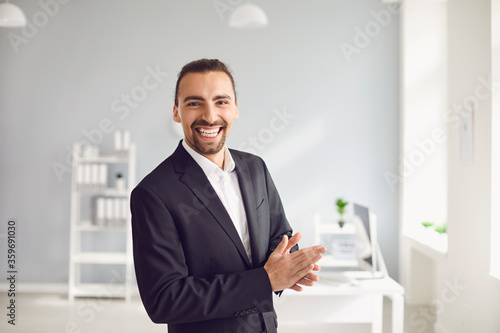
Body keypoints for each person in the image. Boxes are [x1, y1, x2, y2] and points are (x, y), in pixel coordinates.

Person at [130, 58, 326, 333]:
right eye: (194, 103)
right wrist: (266, 280)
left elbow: (277, 236)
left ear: (235, 109)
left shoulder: (255, 168)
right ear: (176, 112)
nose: (210, 116)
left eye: (221, 102)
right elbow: (164, 299)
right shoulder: (153, 194)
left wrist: (291, 265)